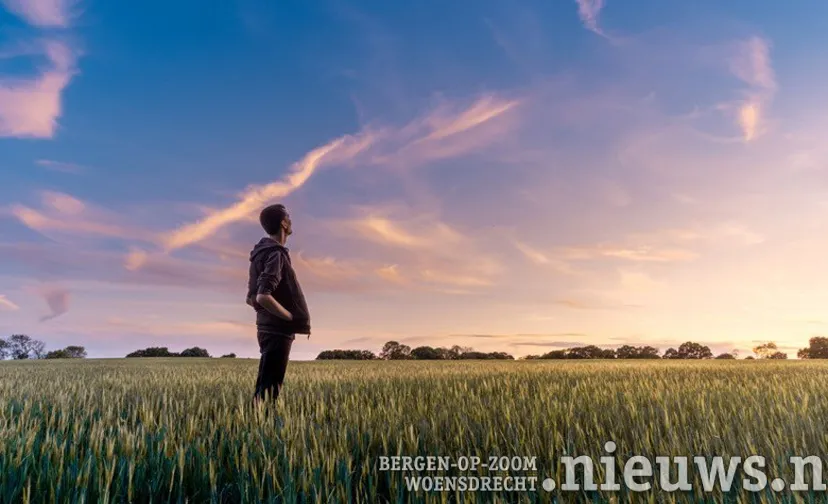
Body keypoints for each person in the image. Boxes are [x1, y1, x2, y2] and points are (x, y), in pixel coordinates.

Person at [246, 203, 311, 405]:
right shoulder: (276, 253)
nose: (291, 221)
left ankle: (256, 426)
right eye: (289, 217)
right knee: (270, 390)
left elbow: (251, 297)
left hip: (265, 327)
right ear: (283, 223)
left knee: (265, 385)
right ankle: (260, 431)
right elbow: (262, 296)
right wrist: (289, 317)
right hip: (277, 330)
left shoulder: (260, 253)